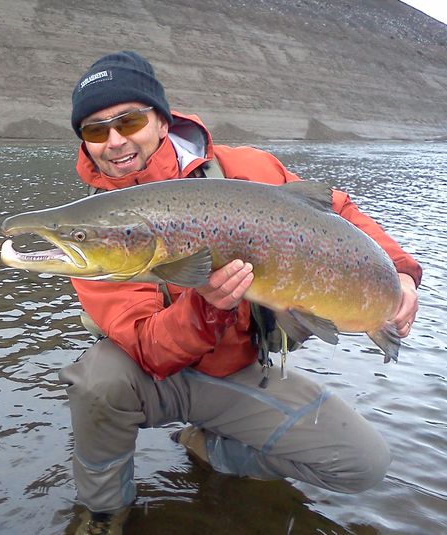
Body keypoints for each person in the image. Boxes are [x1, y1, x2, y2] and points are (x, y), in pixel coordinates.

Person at [60, 51, 421, 535]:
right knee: (97, 379)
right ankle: (105, 511)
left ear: (162, 122)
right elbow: (149, 348)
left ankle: (209, 448)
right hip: (153, 377)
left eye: (129, 121)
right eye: (96, 130)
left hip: (237, 372)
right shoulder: (95, 232)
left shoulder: (248, 167)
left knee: (363, 464)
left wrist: (400, 275)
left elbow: (338, 210)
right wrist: (205, 305)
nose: (115, 140)